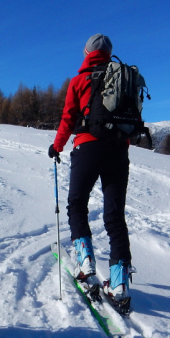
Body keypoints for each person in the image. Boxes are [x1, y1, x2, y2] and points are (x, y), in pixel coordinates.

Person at [48, 34, 135, 309]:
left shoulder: (79, 80)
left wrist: (57, 146)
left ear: (86, 52)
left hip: (87, 147)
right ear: (109, 53)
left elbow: (68, 117)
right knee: (114, 215)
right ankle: (120, 283)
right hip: (118, 150)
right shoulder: (122, 79)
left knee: (77, 204)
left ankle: (86, 263)